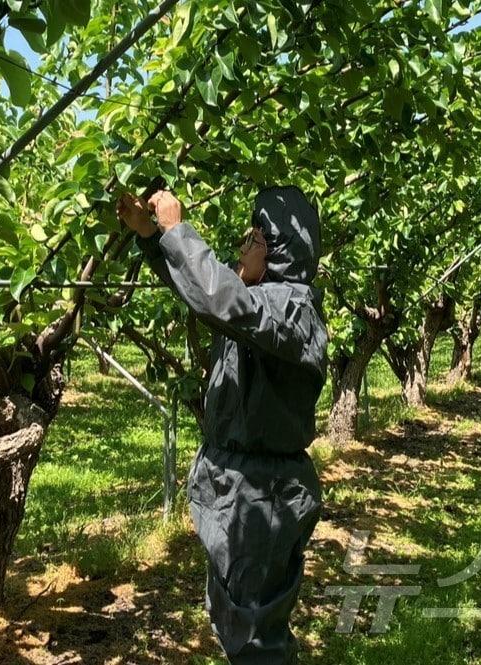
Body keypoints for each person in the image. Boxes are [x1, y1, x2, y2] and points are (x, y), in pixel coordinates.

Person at [116, 186, 328, 664]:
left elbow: (223, 300)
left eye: (253, 239)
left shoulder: (291, 311)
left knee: (255, 635)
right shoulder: (258, 305)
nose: (242, 248)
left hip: (263, 492)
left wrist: (177, 231)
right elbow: (202, 293)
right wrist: (153, 238)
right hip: (235, 482)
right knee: (235, 616)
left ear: (278, 252)